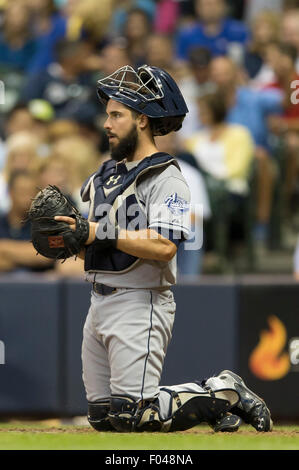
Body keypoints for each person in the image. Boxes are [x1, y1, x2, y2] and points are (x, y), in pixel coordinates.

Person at [55, 64, 272, 433]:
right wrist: (68, 240)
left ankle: (223, 391)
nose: (106, 123)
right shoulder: (102, 177)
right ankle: (215, 398)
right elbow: (94, 244)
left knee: (135, 415)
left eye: (116, 115)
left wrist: (97, 230)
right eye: (107, 114)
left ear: (142, 120)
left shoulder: (167, 176)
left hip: (141, 300)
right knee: (104, 418)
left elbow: (165, 245)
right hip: (98, 300)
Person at [0, 170, 54, 272]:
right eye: (22, 192)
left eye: (32, 192)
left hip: (37, 285)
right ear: (10, 193)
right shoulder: (1, 221)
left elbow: (48, 255)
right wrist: (26, 255)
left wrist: (3, 248)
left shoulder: (47, 222)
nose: (28, 198)